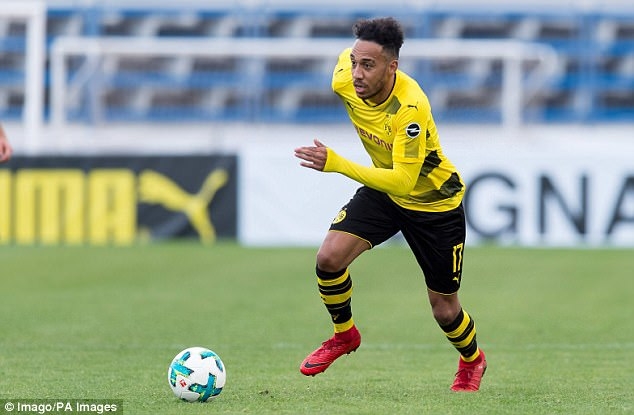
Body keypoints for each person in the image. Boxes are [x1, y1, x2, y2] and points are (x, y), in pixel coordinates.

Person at [294, 17, 486, 392]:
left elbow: (404, 181)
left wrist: (337, 163)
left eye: (368, 65)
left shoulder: (410, 107)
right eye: (354, 62)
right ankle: (344, 335)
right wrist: (356, 54)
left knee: (444, 309)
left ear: (392, 66)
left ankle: (472, 359)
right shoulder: (343, 78)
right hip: (385, 191)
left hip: (433, 204)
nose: (357, 73)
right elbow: (393, 184)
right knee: (329, 258)